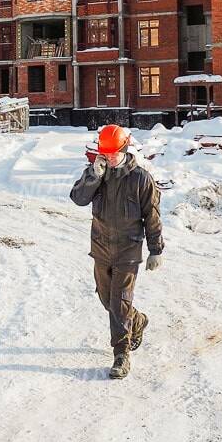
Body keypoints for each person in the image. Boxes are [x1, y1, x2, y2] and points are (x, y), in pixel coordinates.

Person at [70, 123, 163, 379]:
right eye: (105, 153)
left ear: (124, 149)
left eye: (113, 153)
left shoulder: (141, 179)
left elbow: (152, 215)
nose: (109, 158)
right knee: (106, 298)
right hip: (100, 247)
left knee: (119, 302)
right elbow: (78, 198)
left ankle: (121, 355)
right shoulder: (98, 174)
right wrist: (93, 175)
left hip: (128, 249)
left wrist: (156, 249)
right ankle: (138, 320)